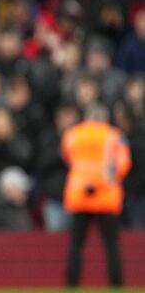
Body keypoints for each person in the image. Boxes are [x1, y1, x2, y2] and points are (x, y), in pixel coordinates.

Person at [62, 104, 131, 288]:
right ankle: (116, 285)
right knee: (111, 245)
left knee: (76, 244)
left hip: (79, 194)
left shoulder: (73, 134)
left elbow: (67, 157)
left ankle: (71, 285)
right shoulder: (114, 135)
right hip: (105, 196)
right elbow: (123, 164)